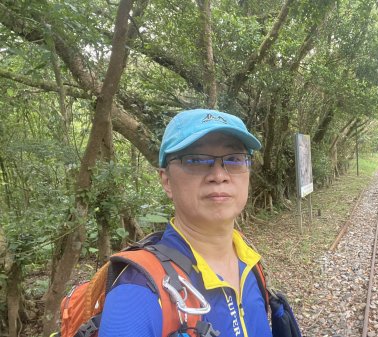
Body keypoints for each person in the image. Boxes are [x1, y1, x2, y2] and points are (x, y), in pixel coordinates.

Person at [99, 109, 272, 337]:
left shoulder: (250, 263)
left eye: (234, 159)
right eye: (196, 160)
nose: (219, 175)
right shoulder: (138, 292)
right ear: (167, 180)